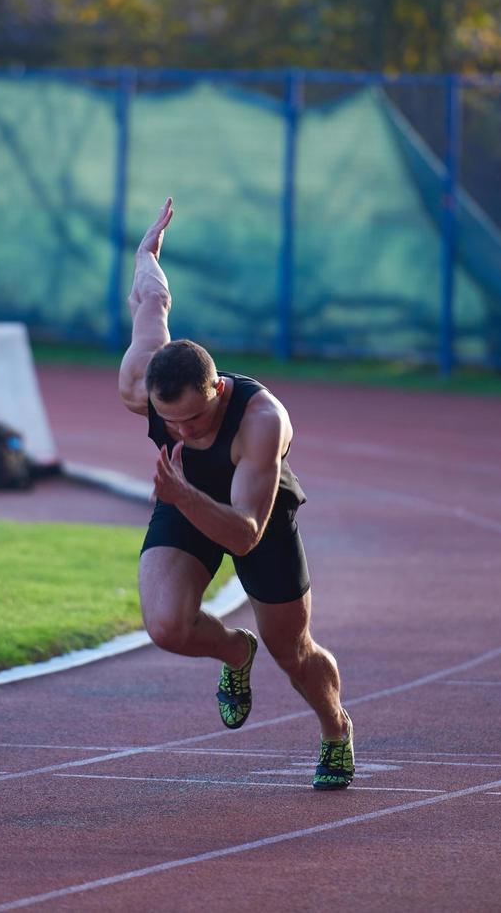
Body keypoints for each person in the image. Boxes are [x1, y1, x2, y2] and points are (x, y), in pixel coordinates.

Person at [116, 197, 355, 790]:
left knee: (294, 652)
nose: (185, 432)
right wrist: (147, 252)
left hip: (257, 516)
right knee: (167, 625)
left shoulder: (261, 421)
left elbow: (246, 531)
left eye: (196, 421)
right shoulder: (140, 380)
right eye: (171, 424)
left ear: (218, 389)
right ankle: (233, 654)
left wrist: (182, 493)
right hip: (184, 499)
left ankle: (335, 729)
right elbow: (152, 300)